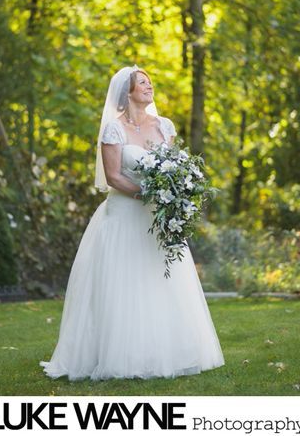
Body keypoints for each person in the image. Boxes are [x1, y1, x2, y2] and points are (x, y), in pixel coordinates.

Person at [40, 66, 224, 380]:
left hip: (159, 217)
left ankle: (164, 350)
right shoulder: (113, 130)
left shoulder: (165, 127)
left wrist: (175, 192)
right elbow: (113, 176)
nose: (150, 86)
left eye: (150, 82)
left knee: (159, 281)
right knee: (124, 284)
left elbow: (176, 166)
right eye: (143, 82)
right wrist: (148, 193)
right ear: (128, 92)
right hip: (124, 215)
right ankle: (118, 354)